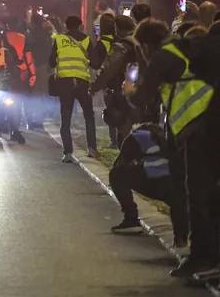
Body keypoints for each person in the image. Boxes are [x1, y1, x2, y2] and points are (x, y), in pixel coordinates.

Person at [126, 18, 217, 279]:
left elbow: (144, 98)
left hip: (195, 126)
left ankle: (202, 258)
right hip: (210, 121)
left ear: (145, 43)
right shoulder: (185, 48)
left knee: (196, 194)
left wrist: (130, 91)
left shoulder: (163, 56)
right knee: (209, 193)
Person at [108, 122, 188, 245]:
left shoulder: (135, 136)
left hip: (154, 182)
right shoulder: (165, 136)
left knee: (116, 175)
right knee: (177, 200)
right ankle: (181, 237)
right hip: (176, 183)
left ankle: (131, 219)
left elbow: (119, 163)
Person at [50, 15, 99, 162]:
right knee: (89, 116)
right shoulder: (86, 40)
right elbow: (95, 63)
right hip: (82, 82)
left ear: (65, 26)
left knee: (66, 118)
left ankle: (68, 153)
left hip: (65, 83)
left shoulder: (59, 40)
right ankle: (92, 149)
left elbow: (51, 62)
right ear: (80, 26)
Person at [90, 15, 141, 149]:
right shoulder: (141, 41)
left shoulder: (121, 45)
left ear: (117, 28)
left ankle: (127, 164)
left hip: (124, 93)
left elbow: (108, 69)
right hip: (145, 93)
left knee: (124, 133)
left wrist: (94, 87)